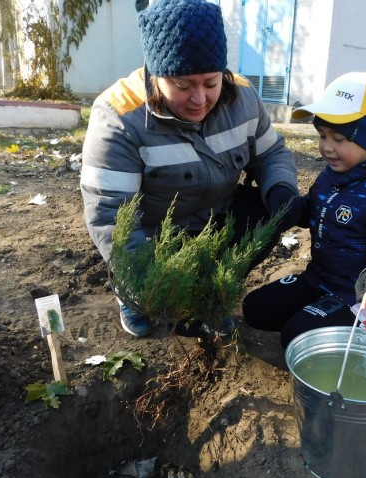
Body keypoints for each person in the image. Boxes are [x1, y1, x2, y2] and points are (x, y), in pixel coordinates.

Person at [80, 0, 300, 338]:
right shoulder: (118, 117)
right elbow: (112, 217)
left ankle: (211, 293)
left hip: (214, 220)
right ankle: (134, 297)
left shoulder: (242, 97)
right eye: (183, 86)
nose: (200, 98)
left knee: (270, 212)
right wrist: (152, 287)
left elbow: (272, 154)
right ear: (155, 75)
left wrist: (281, 189)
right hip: (153, 238)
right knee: (151, 291)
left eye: (211, 83)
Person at [242, 72, 366, 349]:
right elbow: (313, 210)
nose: (327, 147)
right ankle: (316, 315)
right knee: (255, 309)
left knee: (297, 338)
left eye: (339, 138)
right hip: (318, 279)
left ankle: (352, 326)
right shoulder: (332, 175)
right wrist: (288, 207)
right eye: (322, 135)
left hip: (357, 295)